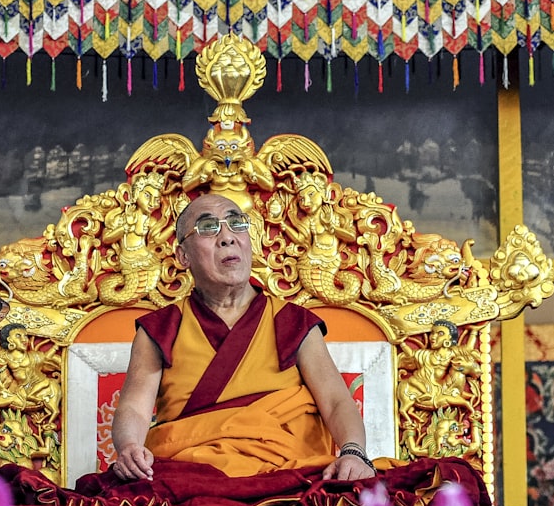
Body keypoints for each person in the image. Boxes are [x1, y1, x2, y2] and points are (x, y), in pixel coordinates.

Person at [110, 193, 377, 483]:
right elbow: (134, 407)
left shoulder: (292, 322)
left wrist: (353, 452)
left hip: (291, 473)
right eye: (208, 228)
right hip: (191, 475)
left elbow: (336, 400)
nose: (227, 237)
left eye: (236, 224)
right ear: (183, 256)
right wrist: (130, 449)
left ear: (251, 241)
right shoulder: (161, 329)